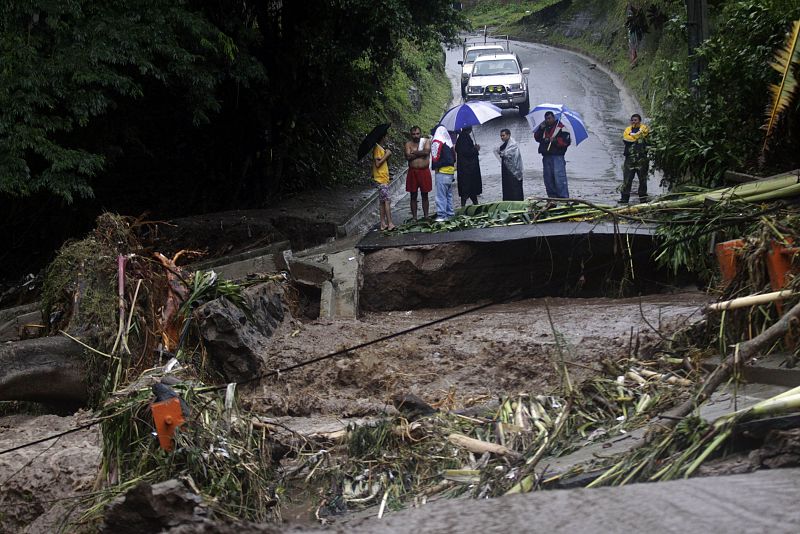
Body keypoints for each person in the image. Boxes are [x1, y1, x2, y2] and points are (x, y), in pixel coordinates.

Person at [533, 111, 571, 199]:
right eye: (546, 119)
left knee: (559, 178)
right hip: (546, 156)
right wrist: (541, 128)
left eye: (549, 118)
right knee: (548, 178)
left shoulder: (561, 127)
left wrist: (555, 141)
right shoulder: (544, 127)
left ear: (554, 118)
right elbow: (537, 138)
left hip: (557, 156)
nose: (548, 120)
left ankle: (563, 198)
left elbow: (566, 141)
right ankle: (552, 197)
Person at [620, 113, 650, 204]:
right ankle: (624, 198)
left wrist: (634, 136)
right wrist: (636, 137)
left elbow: (642, 135)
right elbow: (626, 139)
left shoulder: (645, 129)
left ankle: (643, 198)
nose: (634, 121)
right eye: (632, 120)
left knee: (642, 179)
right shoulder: (627, 130)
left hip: (641, 158)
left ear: (639, 121)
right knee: (627, 179)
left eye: (635, 120)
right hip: (629, 158)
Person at [404, 126, 432, 220]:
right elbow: (408, 157)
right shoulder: (408, 144)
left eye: (417, 133)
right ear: (410, 135)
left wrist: (414, 152)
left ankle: (426, 216)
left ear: (420, 133)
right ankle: (415, 217)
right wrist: (421, 153)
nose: (416, 136)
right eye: (413, 134)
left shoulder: (426, 141)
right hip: (413, 172)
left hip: (424, 171)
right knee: (413, 195)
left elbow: (426, 152)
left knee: (425, 194)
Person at [430, 125, 456, 221]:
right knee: (448, 195)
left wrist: (436, 169)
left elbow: (435, 157)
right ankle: (450, 213)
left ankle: (441, 215)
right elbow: (454, 158)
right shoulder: (448, 143)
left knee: (441, 195)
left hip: (442, 171)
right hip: (450, 172)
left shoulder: (437, 142)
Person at [372, 133, 395, 230]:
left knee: (382, 202)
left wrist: (386, 154)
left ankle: (382, 224)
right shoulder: (377, 148)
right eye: (386, 136)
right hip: (380, 179)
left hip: (383, 179)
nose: (387, 138)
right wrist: (387, 154)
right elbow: (377, 164)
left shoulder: (380, 148)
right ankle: (389, 223)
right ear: (382, 137)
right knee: (387, 201)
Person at [455, 126, 482, 207]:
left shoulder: (462, 137)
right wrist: (475, 149)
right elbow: (467, 152)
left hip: (466, 168)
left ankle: (475, 204)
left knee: (471, 189)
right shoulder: (464, 138)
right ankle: (463, 206)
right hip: (467, 169)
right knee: (467, 189)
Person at [493, 128, 524, 201]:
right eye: (501, 136)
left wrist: (502, 153)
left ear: (508, 135)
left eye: (503, 135)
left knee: (514, 186)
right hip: (506, 168)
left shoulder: (513, 144)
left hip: (514, 170)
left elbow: (508, 153)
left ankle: (517, 201)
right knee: (507, 185)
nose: (502, 137)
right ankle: (508, 200)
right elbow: (498, 150)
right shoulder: (504, 144)